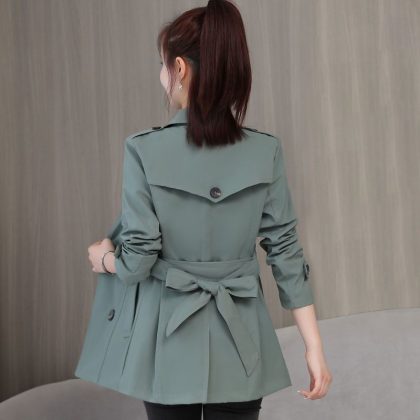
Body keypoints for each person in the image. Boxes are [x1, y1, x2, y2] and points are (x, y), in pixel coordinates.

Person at [79, 0, 332, 419]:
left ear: (179, 68)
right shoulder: (265, 150)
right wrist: (314, 346)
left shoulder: (144, 149)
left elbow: (138, 260)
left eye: (163, 65)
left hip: (166, 340)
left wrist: (104, 258)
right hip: (241, 340)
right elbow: (285, 251)